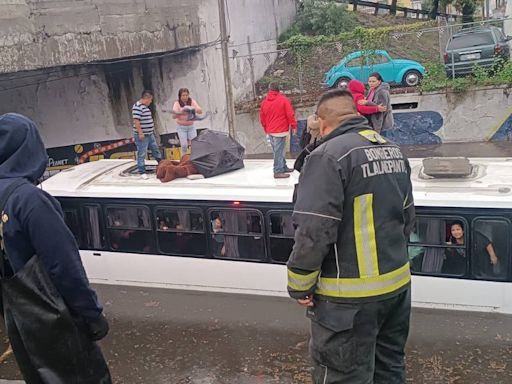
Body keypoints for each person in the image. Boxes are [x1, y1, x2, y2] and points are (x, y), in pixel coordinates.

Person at [287, 89, 415, 383]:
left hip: (348, 303)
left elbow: (314, 230)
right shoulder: (392, 149)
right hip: (396, 290)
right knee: (389, 369)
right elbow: (407, 219)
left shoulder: (327, 157)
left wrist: (300, 285)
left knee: (343, 377)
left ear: (321, 121)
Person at [0, 113, 111, 383]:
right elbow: (63, 264)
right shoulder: (29, 200)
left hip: (19, 318)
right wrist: (91, 314)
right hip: (55, 318)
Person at [259, 82, 298, 179]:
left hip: (270, 131)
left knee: (278, 150)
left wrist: (266, 129)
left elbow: (262, 118)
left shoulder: (264, 102)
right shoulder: (283, 100)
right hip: (280, 130)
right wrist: (294, 126)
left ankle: (283, 166)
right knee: (279, 151)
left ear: (269, 90)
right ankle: (277, 170)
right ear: (278, 90)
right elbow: (290, 114)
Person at [132, 89, 163, 179]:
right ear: (146, 98)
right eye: (150, 100)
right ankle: (142, 171)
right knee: (142, 152)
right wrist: (140, 133)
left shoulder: (144, 107)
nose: (150, 102)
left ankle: (161, 164)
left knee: (155, 149)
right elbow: (136, 121)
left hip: (149, 134)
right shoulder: (137, 107)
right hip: (143, 135)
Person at [172, 88, 203, 157]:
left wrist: (193, 109)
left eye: (186, 95)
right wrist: (181, 112)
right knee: (184, 145)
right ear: (180, 96)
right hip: (181, 127)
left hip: (191, 127)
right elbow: (173, 116)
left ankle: (194, 158)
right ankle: (184, 159)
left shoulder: (191, 101)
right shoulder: (177, 103)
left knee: (194, 145)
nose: (185, 97)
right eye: (183, 95)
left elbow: (200, 110)